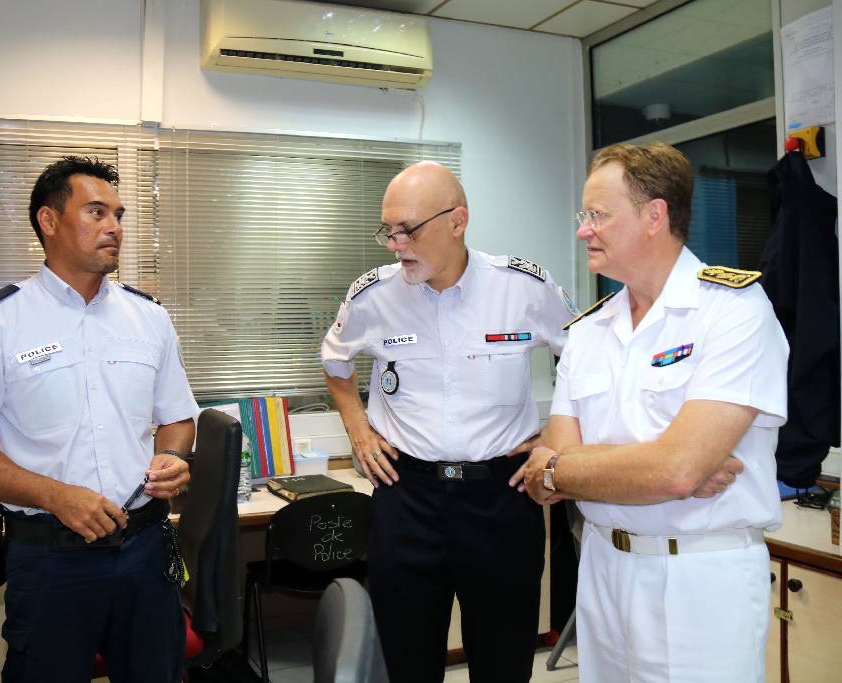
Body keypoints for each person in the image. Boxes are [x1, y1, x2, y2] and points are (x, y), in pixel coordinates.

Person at [514, 142, 788, 683]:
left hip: (700, 576)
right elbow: (549, 470)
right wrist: (643, 467)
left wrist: (570, 469)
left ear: (654, 215)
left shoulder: (733, 312)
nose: (583, 229)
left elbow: (676, 471)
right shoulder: (589, 330)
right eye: (583, 215)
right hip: (603, 570)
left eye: (598, 214)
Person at [0, 156, 199, 683]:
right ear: (48, 221)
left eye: (119, 215)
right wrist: (57, 496)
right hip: (51, 560)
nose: (114, 227)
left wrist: (172, 454)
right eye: (97, 212)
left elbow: (177, 417)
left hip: (145, 551)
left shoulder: (148, 317)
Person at [321, 161, 576, 682]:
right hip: (407, 496)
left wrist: (554, 440)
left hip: (502, 497)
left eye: (407, 230)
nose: (395, 243)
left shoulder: (521, 286)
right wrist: (358, 430)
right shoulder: (373, 294)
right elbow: (335, 363)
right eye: (387, 230)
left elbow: (584, 357)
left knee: (503, 661)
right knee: (407, 662)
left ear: (458, 221)